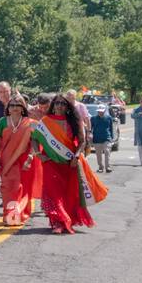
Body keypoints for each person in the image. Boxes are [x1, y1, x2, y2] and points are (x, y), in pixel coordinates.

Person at [31, 94, 105, 234]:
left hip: (69, 163)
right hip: (50, 163)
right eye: (57, 103)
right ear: (53, 105)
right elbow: (34, 138)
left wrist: (76, 157)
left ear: (67, 106)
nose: (59, 106)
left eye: (63, 103)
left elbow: (82, 141)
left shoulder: (73, 121)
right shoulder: (46, 121)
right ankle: (58, 222)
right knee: (53, 193)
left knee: (68, 194)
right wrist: (38, 154)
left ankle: (67, 219)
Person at [0, 94, 37, 226]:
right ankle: (10, 215)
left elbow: (35, 142)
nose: (15, 108)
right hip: (7, 160)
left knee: (23, 188)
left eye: (18, 105)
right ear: (8, 108)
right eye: (12, 105)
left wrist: (30, 158)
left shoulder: (30, 123)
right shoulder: (2, 121)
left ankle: (18, 214)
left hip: (25, 160)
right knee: (8, 188)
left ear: (23, 107)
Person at [90, 104, 115, 173]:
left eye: (101, 111)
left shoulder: (109, 118)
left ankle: (108, 167)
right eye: (99, 111)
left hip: (107, 138)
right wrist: (90, 136)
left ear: (104, 111)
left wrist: (112, 138)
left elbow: (111, 128)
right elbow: (90, 128)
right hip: (97, 139)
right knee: (98, 154)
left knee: (107, 151)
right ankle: (100, 167)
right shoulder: (93, 118)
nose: (100, 112)